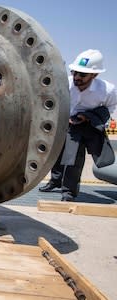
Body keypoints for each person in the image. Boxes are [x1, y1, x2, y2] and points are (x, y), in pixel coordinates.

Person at [39, 49, 117, 201]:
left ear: (94, 75)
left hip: (84, 125)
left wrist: (89, 117)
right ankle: (55, 181)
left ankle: (69, 192)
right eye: (75, 72)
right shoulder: (65, 83)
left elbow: (110, 107)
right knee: (58, 154)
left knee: (73, 159)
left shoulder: (107, 90)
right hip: (63, 122)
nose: (77, 77)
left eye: (82, 74)